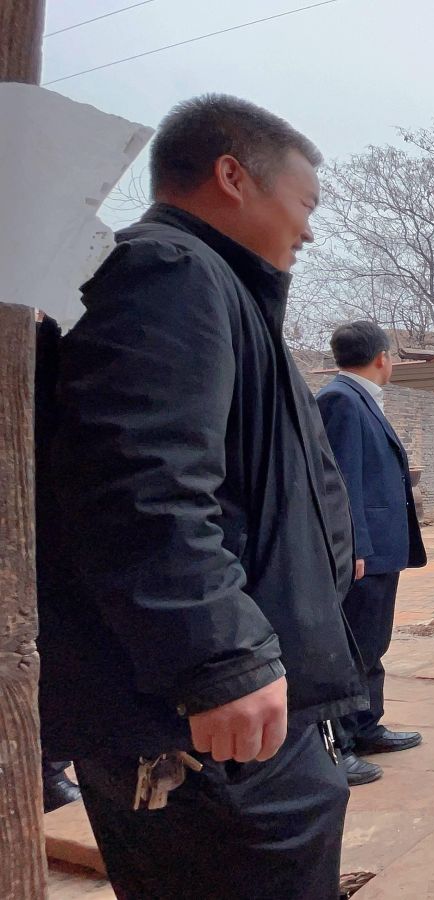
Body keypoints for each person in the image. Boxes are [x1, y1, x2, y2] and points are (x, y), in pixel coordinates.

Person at [36, 95, 361, 900]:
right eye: (305, 203)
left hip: (232, 718)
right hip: (199, 726)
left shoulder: (221, 291)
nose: (309, 230)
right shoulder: (165, 272)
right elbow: (140, 483)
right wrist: (220, 661)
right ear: (232, 176)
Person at [316, 321, 428, 785]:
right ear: (382, 357)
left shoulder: (359, 397)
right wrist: (355, 545)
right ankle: (339, 745)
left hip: (381, 546)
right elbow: (339, 481)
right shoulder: (341, 400)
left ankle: (366, 726)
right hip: (364, 550)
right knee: (352, 648)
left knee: (372, 642)